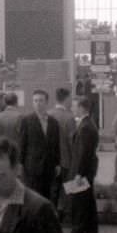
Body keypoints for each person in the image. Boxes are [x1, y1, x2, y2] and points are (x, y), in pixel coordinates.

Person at [19, 90, 61, 200]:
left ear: (46, 102)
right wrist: (20, 164)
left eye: (41, 100)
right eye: (35, 101)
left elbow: (56, 145)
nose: (38, 103)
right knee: (33, 196)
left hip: (49, 166)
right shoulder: (26, 121)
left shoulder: (54, 123)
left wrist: (57, 163)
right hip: (32, 166)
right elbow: (22, 144)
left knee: (47, 196)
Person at [68, 96, 99, 233]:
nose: (72, 109)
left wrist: (78, 174)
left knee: (78, 201)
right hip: (87, 170)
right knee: (87, 200)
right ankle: (91, 231)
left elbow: (84, 152)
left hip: (81, 171)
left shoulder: (85, 127)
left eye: (74, 106)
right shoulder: (88, 124)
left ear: (81, 108)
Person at [48, 87, 76, 215]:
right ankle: (65, 213)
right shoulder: (69, 118)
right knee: (68, 189)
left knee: (52, 189)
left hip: (50, 160)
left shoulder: (48, 115)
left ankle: (52, 213)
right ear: (66, 99)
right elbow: (72, 141)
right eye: (70, 98)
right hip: (65, 159)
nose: (71, 101)